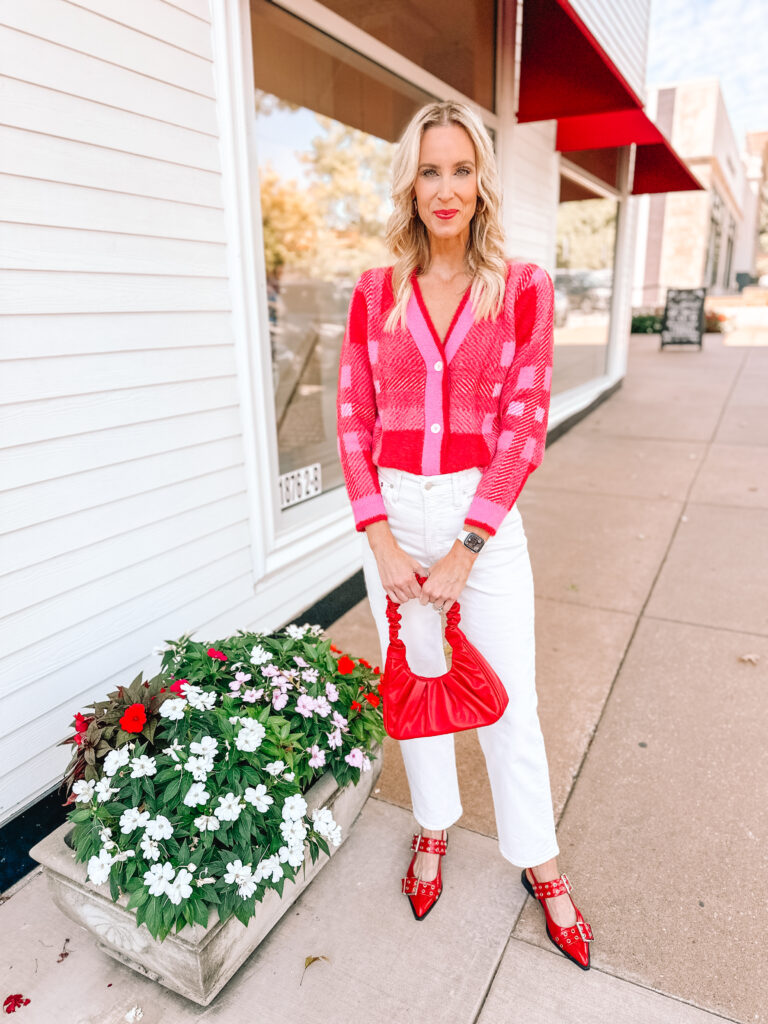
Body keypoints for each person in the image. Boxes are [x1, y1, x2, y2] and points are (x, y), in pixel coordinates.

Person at [335, 100, 594, 969]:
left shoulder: (522, 289)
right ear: (410, 183)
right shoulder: (374, 293)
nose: (445, 189)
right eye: (430, 170)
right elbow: (353, 420)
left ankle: (541, 865)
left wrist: (464, 547)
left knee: (508, 701)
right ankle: (435, 830)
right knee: (417, 700)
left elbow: (524, 426)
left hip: (480, 525)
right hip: (393, 523)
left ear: (482, 181)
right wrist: (381, 543)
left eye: (461, 169)